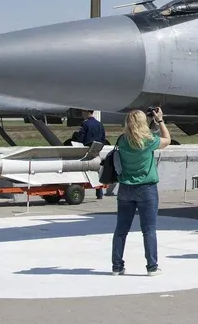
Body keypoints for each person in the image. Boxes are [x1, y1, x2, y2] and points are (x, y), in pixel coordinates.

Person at [112, 107, 171, 276]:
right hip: (146, 188)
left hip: (125, 188)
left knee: (121, 230)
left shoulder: (122, 140)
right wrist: (159, 120)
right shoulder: (148, 141)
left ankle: (117, 266)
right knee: (149, 229)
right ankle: (151, 266)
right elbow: (167, 139)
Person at [74, 110, 109, 198]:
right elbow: (103, 138)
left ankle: (80, 191)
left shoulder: (85, 124)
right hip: (97, 149)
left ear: (86, 112)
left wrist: (76, 141)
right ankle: (99, 192)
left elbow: (81, 137)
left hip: (87, 148)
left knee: (82, 169)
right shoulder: (99, 124)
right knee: (96, 169)